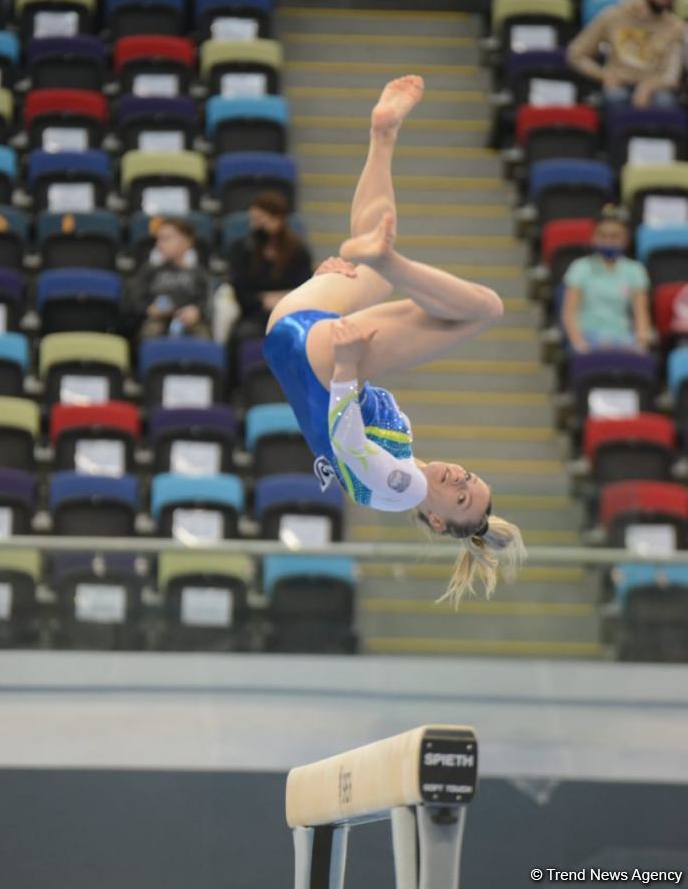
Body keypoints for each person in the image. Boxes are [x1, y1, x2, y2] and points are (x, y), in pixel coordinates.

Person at [263, 76, 526, 608]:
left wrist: (343, 365)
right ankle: (382, 135)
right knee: (379, 273)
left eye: (457, 497)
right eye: (469, 479)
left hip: (322, 357)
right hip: (293, 332)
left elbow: (349, 444)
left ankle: (386, 258)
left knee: (483, 310)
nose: (458, 478)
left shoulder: (399, 488)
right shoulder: (406, 463)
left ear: (435, 518)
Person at [566, 0, 685, 109]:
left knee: (664, 103)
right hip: (618, 82)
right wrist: (602, 75)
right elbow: (576, 53)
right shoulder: (614, 15)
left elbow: (672, 74)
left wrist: (647, 87)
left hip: (655, 86)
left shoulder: (676, 27)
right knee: (615, 98)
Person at [561, 206, 651, 353]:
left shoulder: (635, 270)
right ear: (594, 238)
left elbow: (641, 314)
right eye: (603, 235)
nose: (608, 241)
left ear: (625, 239)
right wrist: (580, 345)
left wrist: (641, 345)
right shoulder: (580, 267)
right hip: (587, 338)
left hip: (623, 339)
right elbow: (569, 313)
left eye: (615, 236)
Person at [227, 190, 313, 342]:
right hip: (254, 313)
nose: (255, 226)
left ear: (278, 219)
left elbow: (305, 286)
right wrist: (262, 301)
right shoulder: (242, 249)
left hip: (290, 311)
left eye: (260, 220)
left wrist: (280, 299)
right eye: (252, 220)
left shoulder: (298, 250)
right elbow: (240, 288)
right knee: (242, 335)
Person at [127, 217, 212, 339]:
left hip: (191, 322)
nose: (159, 244)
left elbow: (207, 301)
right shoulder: (149, 271)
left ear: (187, 242)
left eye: (166, 239)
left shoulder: (199, 273)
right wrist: (148, 310)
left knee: (203, 336)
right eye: (158, 239)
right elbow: (135, 300)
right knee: (150, 332)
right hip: (155, 321)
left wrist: (198, 312)